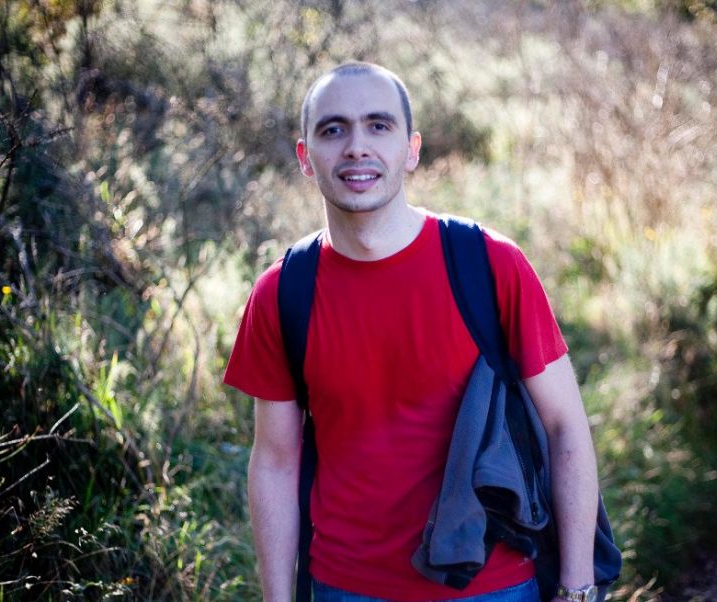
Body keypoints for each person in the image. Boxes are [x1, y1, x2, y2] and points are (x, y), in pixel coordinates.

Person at [224, 62, 601, 602]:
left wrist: (578, 589)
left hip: (492, 587)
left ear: (411, 148)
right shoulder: (283, 291)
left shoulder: (489, 264)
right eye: (334, 130)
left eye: (379, 126)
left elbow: (566, 425)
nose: (356, 147)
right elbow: (275, 461)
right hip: (345, 588)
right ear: (306, 156)